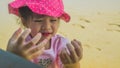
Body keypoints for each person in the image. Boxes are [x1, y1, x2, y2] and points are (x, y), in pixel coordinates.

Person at [7, 0, 83, 68]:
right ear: (24, 22)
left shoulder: (60, 44)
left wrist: (72, 64)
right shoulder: (20, 45)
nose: (47, 27)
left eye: (53, 20)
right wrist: (14, 57)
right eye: (39, 20)